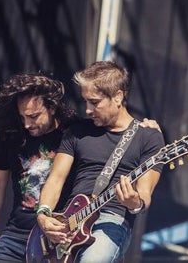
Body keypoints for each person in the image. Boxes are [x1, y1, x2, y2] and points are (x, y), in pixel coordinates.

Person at [36, 61, 165, 263]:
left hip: (112, 219)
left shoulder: (148, 137)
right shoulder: (78, 131)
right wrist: (44, 215)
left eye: (94, 102)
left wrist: (134, 203)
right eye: (86, 101)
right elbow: (55, 180)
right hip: (70, 218)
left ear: (118, 97)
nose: (87, 109)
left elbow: (144, 196)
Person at [0, 72, 78, 263]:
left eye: (34, 116)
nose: (27, 124)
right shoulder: (11, 136)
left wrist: (146, 128)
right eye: (22, 116)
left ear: (53, 107)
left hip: (61, 237)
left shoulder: (74, 133)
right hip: (16, 235)